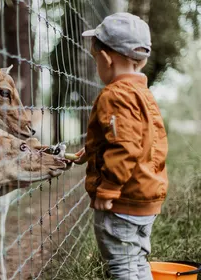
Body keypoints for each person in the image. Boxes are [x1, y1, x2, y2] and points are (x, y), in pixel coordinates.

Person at [73, 12, 169, 279]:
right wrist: (92, 152)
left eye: (96, 60)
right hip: (145, 197)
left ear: (105, 58)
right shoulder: (143, 94)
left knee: (122, 267)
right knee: (137, 263)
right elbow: (144, 141)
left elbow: (125, 146)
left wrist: (109, 188)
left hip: (121, 201)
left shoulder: (114, 95)